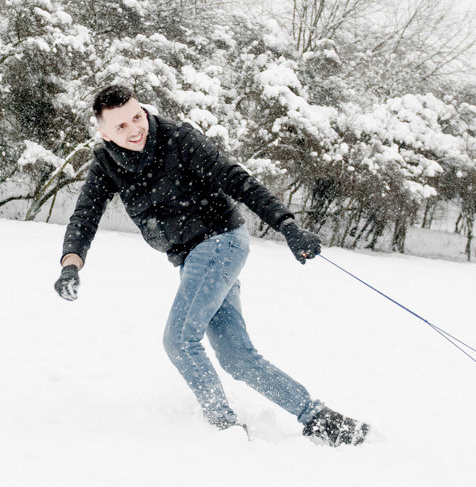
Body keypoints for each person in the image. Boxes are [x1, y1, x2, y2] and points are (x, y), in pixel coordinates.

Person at [53, 84, 370, 446]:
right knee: (236, 357)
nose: (135, 129)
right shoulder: (106, 163)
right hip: (192, 258)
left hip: (220, 241)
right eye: (121, 126)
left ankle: (224, 427)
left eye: (137, 117)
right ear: (105, 133)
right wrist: (71, 264)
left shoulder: (177, 139)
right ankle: (320, 418)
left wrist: (287, 225)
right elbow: (85, 215)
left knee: (179, 341)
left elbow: (237, 179)